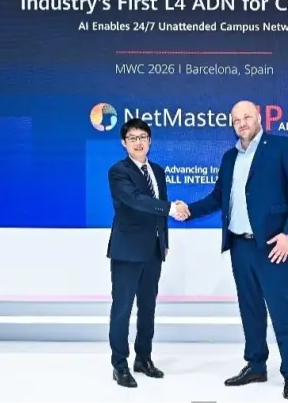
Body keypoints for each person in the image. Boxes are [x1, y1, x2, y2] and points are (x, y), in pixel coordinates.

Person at [175, 100, 288, 400]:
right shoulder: (229, 157)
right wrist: (189, 210)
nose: (242, 123)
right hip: (239, 246)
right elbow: (217, 198)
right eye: (236, 120)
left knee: (282, 311)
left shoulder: (282, 147)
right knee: (250, 309)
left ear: (259, 117)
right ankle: (256, 366)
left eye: (247, 117)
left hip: (273, 246)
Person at [106, 117, 188, 388]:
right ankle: (120, 365)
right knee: (122, 308)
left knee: (148, 308)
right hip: (127, 252)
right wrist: (170, 208)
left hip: (153, 250)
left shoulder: (158, 171)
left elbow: (158, 211)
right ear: (124, 143)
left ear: (150, 141)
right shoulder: (118, 171)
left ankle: (143, 358)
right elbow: (135, 200)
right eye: (133, 138)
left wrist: (164, 239)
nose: (138, 142)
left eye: (143, 137)